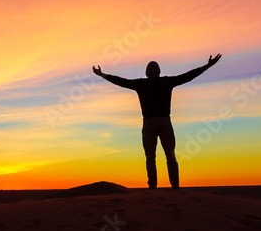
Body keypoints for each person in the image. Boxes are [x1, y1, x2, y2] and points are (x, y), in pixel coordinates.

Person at [92, 54, 221, 189]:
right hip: (164, 122)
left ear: (147, 73)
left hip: (149, 124)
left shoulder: (141, 84)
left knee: (150, 157)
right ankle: (175, 187)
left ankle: (152, 187)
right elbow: (187, 76)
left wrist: (102, 75)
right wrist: (208, 66)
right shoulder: (166, 82)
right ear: (159, 72)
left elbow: (121, 82)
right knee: (170, 155)